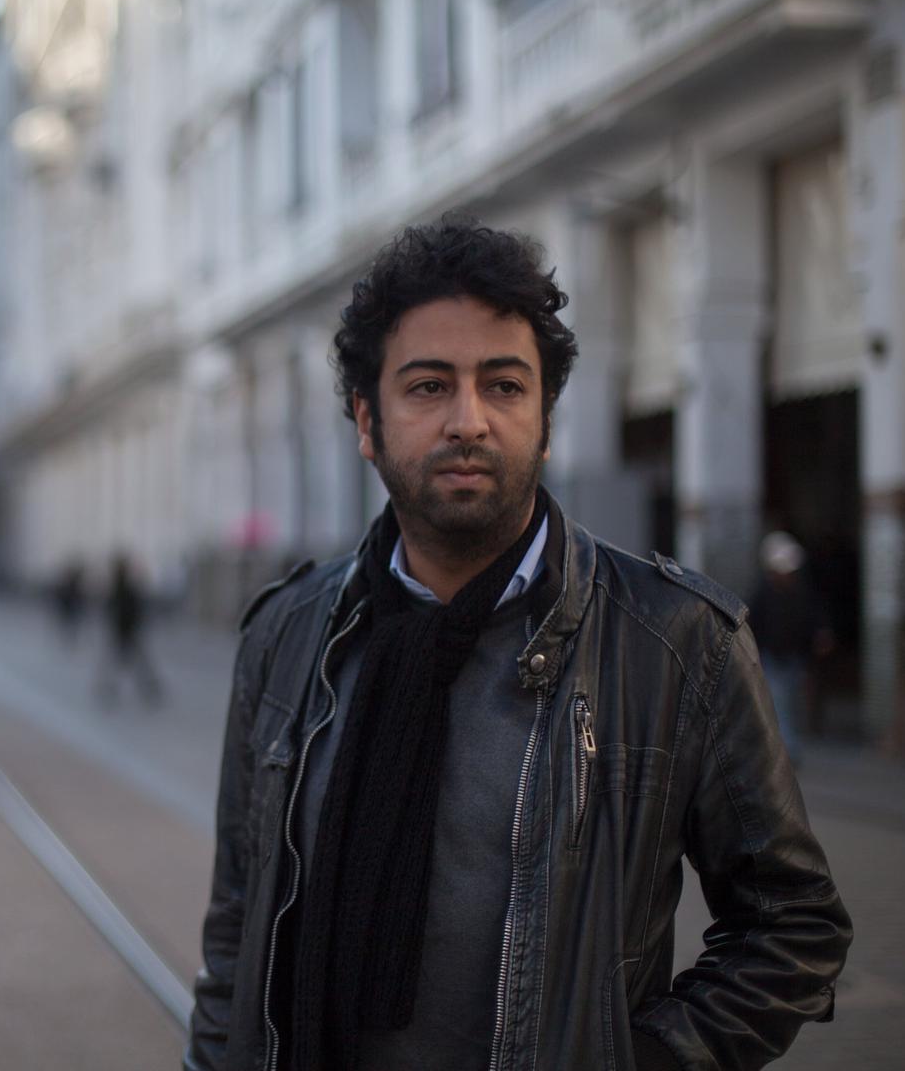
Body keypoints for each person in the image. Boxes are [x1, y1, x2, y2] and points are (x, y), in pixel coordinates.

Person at [184, 218, 850, 1071]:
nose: (468, 421)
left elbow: (793, 925)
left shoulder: (675, 643)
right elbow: (237, 928)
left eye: (502, 386)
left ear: (544, 420)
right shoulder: (286, 635)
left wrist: (644, 1060)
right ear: (366, 420)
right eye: (428, 386)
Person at [749, 531, 835, 766]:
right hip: (772, 657)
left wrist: (821, 634)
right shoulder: (763, 593)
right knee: (780, 703)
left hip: (797, 657)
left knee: (792, 704)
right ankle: (788, 751)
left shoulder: (803, 592)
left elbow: (815, 616)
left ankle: (787, 747)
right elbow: (752, 623)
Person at [96, 553, 163, 708]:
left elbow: (124, 610)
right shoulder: (122, 588)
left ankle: (147, 689)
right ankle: (147, 689)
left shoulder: (121, 588)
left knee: (132, 663)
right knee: (132, 663)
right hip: (125, 631)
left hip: (125, 631)